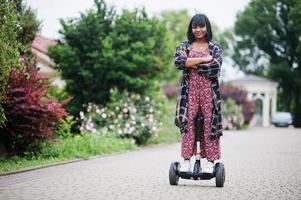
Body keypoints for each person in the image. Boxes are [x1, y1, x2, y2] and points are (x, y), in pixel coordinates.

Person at [174, 14, 223, 173]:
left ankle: (210, 161)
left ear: (207, 27)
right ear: (191, 29)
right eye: (195, 27)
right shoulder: (184, 46)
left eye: (201, 26)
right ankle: (186, 160)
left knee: (210, 125)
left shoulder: (215, 48)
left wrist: (193, 63)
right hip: (189, 92)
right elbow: (180, 62)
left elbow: (215, 68)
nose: (198, 30)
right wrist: (204, 59)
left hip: (209, 93)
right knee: (188, 125)